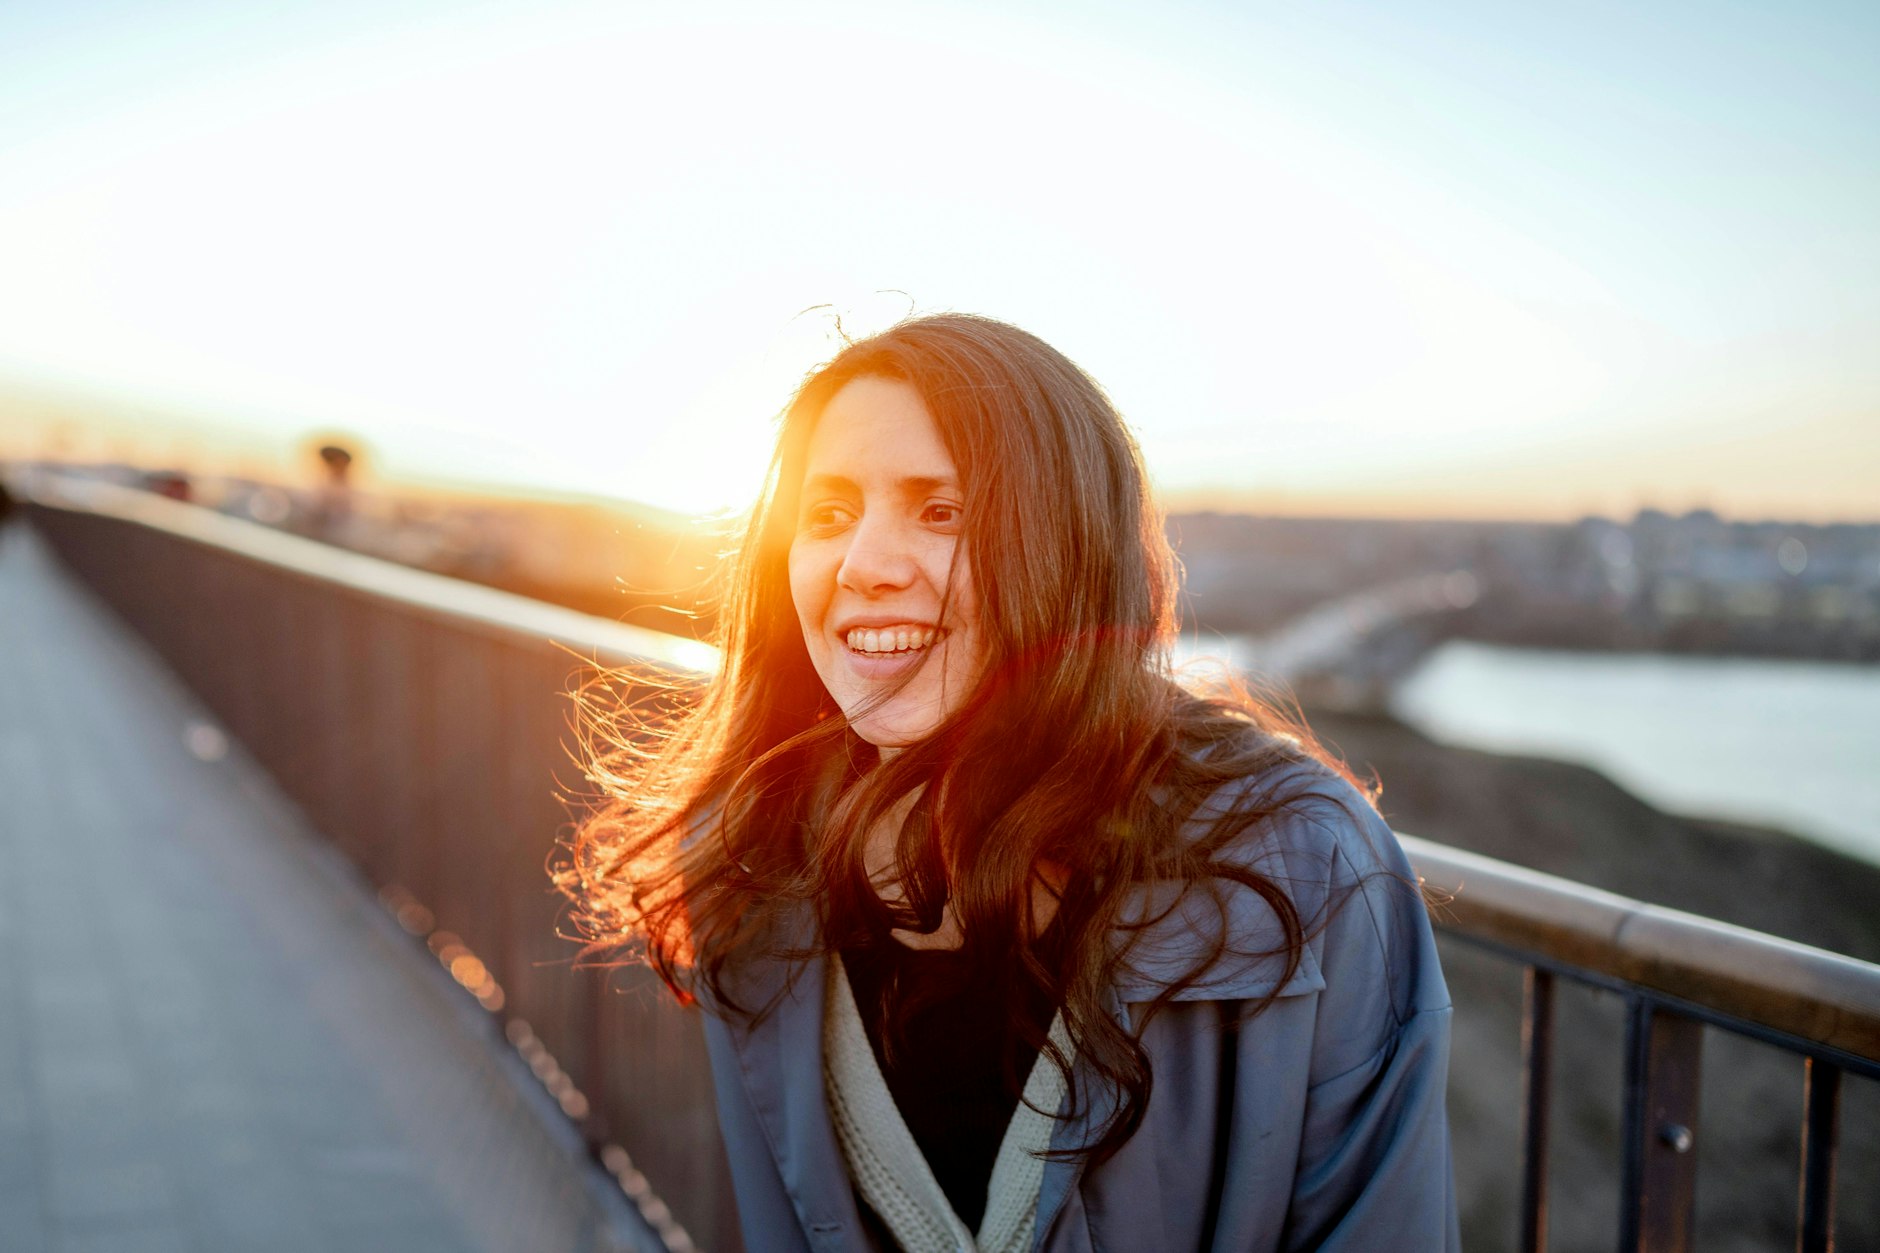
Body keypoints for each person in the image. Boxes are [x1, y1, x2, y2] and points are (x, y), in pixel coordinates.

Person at [564, 314, 1457, 1251]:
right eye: (827, 515)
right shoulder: (753, 866)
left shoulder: (1314, 867)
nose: (864, 565)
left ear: (1065, 549)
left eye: (940, 510)